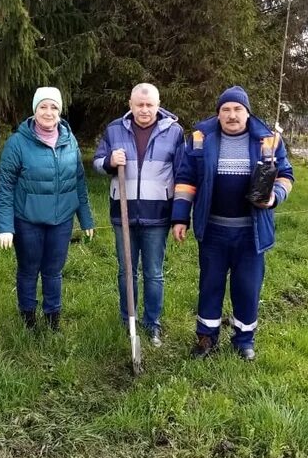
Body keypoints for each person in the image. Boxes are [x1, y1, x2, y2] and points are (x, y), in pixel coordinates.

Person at [171, 86, 293, 361]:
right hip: (213, 230)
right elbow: (186, 178)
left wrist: (274, 197)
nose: (232, 115)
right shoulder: (201, 139)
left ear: (248, 113)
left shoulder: (269, 141)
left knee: (247, 288)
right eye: (225, 109)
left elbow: (285, 175)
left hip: (251, 232)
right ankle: (206, 338)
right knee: (210, 285)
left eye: (238, 109)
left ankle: (243, 340)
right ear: (218, 115)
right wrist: (180, 216)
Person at [0, 87, 95, 331]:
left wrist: (86, 219)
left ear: (60, 111)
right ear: (35, 110)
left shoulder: (69, 140)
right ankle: (28, 319)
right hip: (27, 220)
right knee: (28, 270)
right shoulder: (18, 143)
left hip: (61, 221)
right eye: (43, 107)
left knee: (53, 271)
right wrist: (5, 226)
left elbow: (78, 181)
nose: (48, 112)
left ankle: (53, 318)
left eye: (54, 107)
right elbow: (5, 186)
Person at [92, 83, 184, 346]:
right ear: (130, 105)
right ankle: (127, 319)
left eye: (149, 105)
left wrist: (179, 215)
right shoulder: (114, 129)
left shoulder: (174, 132)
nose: (144, 110)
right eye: (139, 105)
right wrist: (110, 161)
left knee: (154, 273)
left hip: (157, 214)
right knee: (126, 271)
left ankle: (152, 323)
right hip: (124, 212)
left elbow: (182, 174)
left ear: (158, 105)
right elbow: (97, 162)